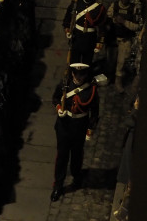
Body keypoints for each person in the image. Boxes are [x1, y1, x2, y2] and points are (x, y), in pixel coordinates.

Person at [50, 62, 99, 201]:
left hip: (80, 125)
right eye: (76, 74)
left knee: (77, 154)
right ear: (72, 73)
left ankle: (76, 177)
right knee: (62, 157)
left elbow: (95, 111)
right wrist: (59, 107)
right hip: (64, 126)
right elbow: (55, 98)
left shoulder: (91, 89)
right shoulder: (65, 84)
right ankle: (58, 186)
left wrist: (90, 128)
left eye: (81, 74)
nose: (78, 77)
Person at [63, 0, 106, 65]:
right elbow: (67, 20)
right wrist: (67, 30)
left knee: (87, 63)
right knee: (74, 62)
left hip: (90, 38)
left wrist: (99, 43)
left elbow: (102, 27)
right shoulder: (75, 4)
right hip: (77, 36)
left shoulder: (99, 8)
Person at [107, 0, 139, 93]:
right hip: (114, 39)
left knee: (122, 61)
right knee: (111, 60)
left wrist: (124, 22)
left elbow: (136, 26)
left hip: (125, 40)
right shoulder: (114, 6)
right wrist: (113, 20)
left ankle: (118, 80)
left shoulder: (133, 9)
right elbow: (107, 17)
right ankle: (110, 76)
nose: (124, 0)